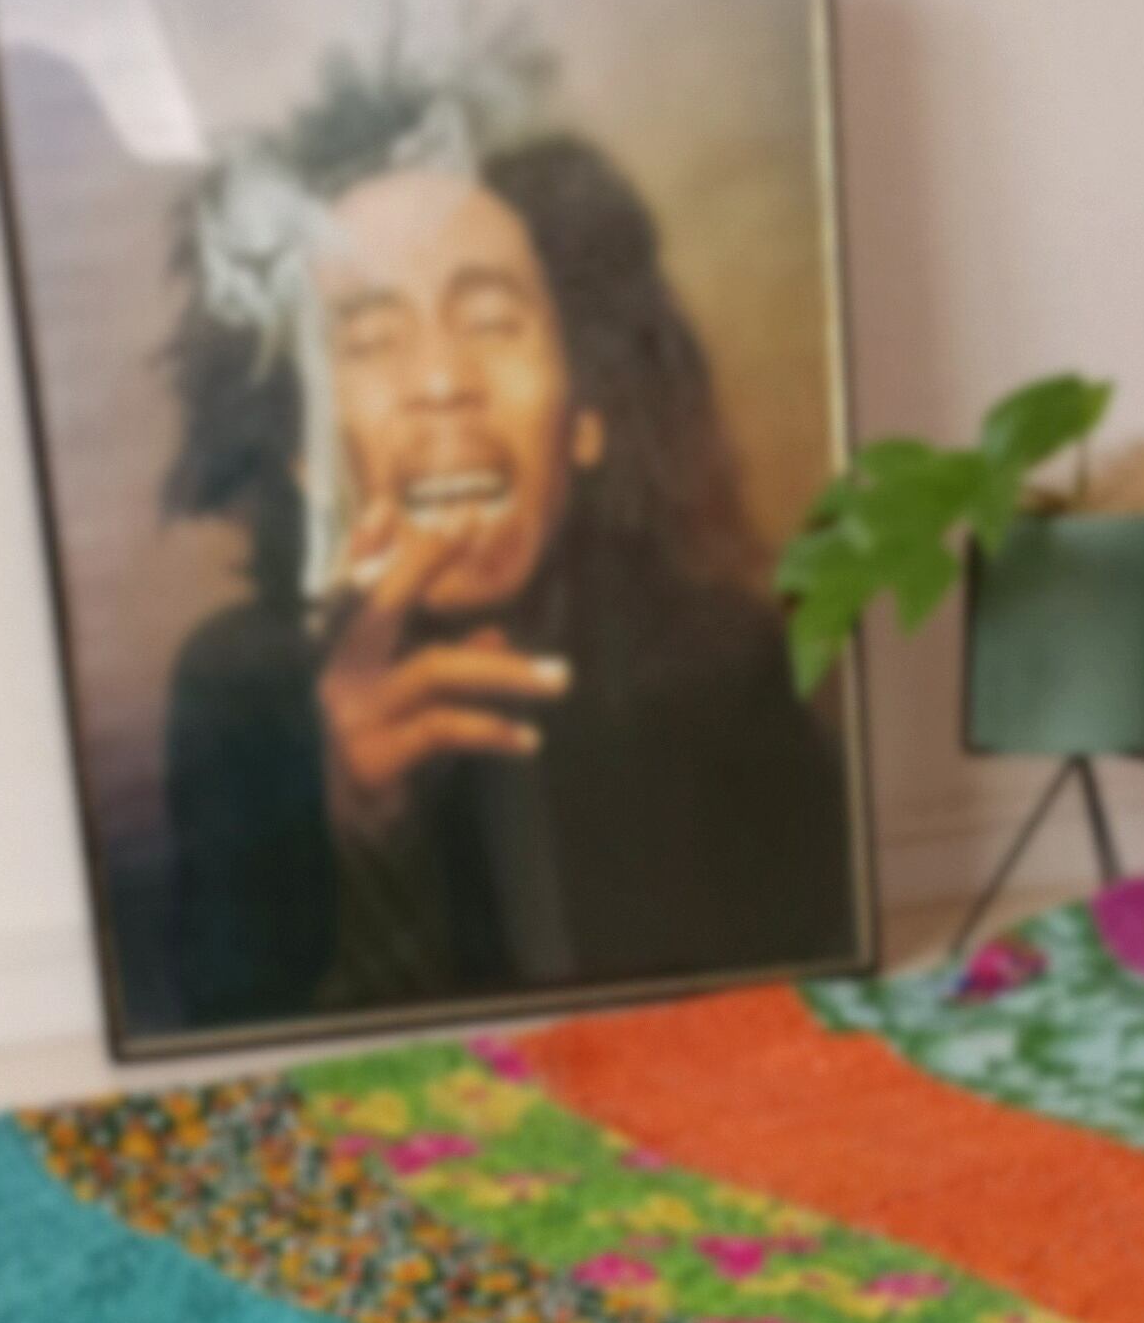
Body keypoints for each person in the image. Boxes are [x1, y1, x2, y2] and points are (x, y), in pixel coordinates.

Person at [157, 62, 860, 1030]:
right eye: (370, 340)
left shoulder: (725, 666)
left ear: (587, 412)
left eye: (492, 322)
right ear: (302, 452)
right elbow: (235, 1035)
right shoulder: (234, 692)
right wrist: (347, 826)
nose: (442, 382)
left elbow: (799, 1012)